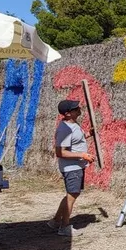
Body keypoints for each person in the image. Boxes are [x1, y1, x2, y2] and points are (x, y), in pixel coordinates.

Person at [49, 98, 95, 237]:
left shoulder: (73, 125)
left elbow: (76, 141)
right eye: (75, 108)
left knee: (71, 193)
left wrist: (88, 135)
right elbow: (60, 152)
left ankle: (56, 221)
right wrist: (83, 155)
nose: (79, 109)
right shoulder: (65, 129)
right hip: (71, 167)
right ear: (68, 113)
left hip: (76, 166)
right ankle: (64, 227)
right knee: (72, 194)